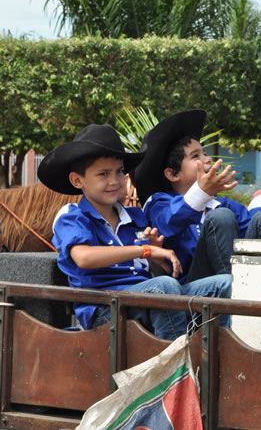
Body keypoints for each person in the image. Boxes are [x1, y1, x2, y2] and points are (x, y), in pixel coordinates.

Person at [39, 124, 231, 340]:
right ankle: (176, 358)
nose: (114, 181)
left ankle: (218, 355)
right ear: (77, 180)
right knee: (164, 288)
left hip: (147, 298)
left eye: (119, 172)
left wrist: (156, 256)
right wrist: (144, 250)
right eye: (103, 174)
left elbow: (156, 274)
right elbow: (84, 258)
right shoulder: (72, 215)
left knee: (225, 284)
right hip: (104, 308)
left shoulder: (136, 217)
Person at [134, 110, 261, 283]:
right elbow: (169, 223)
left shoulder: (220, 204)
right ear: (173, 174)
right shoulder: (159, 203)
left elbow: (254, 228)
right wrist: (201, 193)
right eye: (195, 156)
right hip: (191, 288)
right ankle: (233, 292)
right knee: (220, 218)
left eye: (204, 153)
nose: (208, 159)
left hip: (243, 280)